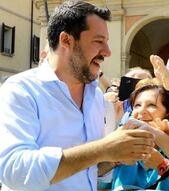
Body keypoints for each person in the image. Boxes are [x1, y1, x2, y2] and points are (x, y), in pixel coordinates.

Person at [0, 1, 154, 190]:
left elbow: (86, 170)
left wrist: (116, 156)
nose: (107, 52)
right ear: (66, 40)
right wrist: (104, 149)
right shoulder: (21, 90)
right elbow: (15, 171)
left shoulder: (96, 96)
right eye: (98, 41)